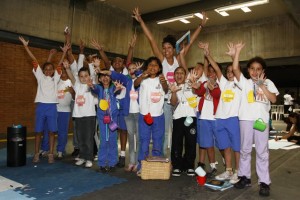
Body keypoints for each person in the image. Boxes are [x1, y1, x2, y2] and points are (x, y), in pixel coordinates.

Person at [132, 7, 207, 157]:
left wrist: (201, 25)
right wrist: (141, 21)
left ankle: (177, 158)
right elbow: (151, 39)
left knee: (181, 131)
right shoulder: (162, 61)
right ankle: (164, 159)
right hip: (166, 101)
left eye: (168, 48)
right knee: (165, 132)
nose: (166, 51)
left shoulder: (179, 59)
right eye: (164, 48)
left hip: (181, 100)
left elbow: (190, 42)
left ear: (174, 49)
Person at [231, 42, 279, 197]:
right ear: (248, 70)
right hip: (245, 120)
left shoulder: (268, 82)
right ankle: (244, 177)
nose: (255, 71)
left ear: (263, 71)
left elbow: (273, 99)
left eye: (258, 69)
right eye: (252, 68)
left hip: (261, 122)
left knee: (262, 151)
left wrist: (262, 86)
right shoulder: (244, 83)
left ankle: (264, 182)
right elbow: (235, 69)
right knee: (245, 150)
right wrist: (237, 52)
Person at [19, 36, 64, 164]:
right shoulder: (39, 76)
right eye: (46, 69)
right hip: (41, 107)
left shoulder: (56, 78)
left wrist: (65, 52)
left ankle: (50, 153)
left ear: (53, 71)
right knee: (38, 131)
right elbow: (34, 60)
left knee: (51, 132)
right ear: (43, 70)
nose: (48, 71)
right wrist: (26, 47)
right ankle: (37, 153)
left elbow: (60, 64)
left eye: (51, 69)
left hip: (52, 107)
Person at [201, 43, 241, 184]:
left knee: (236, 147)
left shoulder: (241, 83)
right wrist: (207, 53)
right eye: (228, 71)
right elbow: (217, 68)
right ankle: (229, 170)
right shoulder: (223, 83)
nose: (230, 73)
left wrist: (235, 55)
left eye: (232, 71)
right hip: (220, 119)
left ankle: (238, 172)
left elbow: (236, 69)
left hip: (233, 119)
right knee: (225, 147)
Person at [134, 57, 168, 174]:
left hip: (158, 115)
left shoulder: (162, 79)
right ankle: (142, 164)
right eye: (150, 65)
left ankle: (156, 164)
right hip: (144, 115)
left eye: (155, 65)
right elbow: (135, 83)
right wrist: (142, 76)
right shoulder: (143, 79)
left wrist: (164, 82)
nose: (153, 67)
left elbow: (166, 90)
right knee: (144, 140)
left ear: (159, 68)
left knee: (158, 140)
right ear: (146, 67)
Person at [192, 42, 221, 178]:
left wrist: (212, 87)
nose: (211, 73)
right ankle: (212, 166)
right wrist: (196, 86)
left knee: (220, 144)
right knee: (206, 143)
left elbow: (216, 95)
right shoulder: (204, 82)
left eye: (213, 72)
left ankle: (225, 165)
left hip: (216, 118)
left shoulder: (221, 84)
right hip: (204, 117)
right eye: (209, 72)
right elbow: (198, 92)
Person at [88, 67, 126, 172]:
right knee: (104, 141)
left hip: (113, 119)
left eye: (107, 76)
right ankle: (102, 163)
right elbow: (94, 88)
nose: (105, 78)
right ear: (99, 79)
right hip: (102, 118)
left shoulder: (113, 87)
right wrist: (91, 85)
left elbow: (118, 89)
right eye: (102, 76)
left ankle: (112, 162)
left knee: (113, 141)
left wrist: (119, 88)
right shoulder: (99, 88)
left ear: (111, 78)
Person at [64, 60, 96, 168]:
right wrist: (67, 68)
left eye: (86, 76)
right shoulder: (77, 86)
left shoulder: (91, 85)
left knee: (88, 138)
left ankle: (89, 158)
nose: (83, 78)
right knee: (80, 138)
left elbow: (94, 80)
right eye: (81, 76)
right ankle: (82, 156)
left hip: (89, 116)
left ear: (89, 76)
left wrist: (93, 66)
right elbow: (72, 78)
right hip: (78, 116)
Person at [170, 58, 197, 177]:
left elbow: (197, 92)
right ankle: (177, 166)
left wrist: (193, 82)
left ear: (185, 75)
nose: (179, 75)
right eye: (177, 73)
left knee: (191, 142)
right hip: (178, 118)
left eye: (181, 73)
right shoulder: (172, 87)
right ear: (174, 76)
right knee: (177, 142)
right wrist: (174, 92)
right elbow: (173, 103)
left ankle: (189, 166)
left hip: (190, 117)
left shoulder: (191, 84)